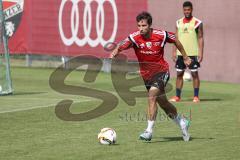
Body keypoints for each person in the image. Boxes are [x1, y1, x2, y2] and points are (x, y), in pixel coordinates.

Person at [110, 11, 192, 141]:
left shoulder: (161, 35)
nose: (141, 29)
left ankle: (148, 131)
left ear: (150, 25)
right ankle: (182, 122)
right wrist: (116, 50)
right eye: (139, 26)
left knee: (152, 96)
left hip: (161, 71)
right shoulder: (134, 37)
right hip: (146, 75)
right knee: (163, 103)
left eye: (144, 26)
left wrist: (185, 56)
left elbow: (175, 39)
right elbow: (123, 44)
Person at [170, 1, 204, 103]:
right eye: (185, 10)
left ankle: (196, 96)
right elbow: (175, 38)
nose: (187, 11)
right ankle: (177, 96)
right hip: (181, 54)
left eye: (188, 10)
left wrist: (201, 53)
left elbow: (201, 38)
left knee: (194, 75)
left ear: (192, 10)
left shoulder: (198, 22)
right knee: (179, 74)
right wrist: (174, 51)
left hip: (193, 53)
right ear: (183, 10)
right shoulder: (178, 23)